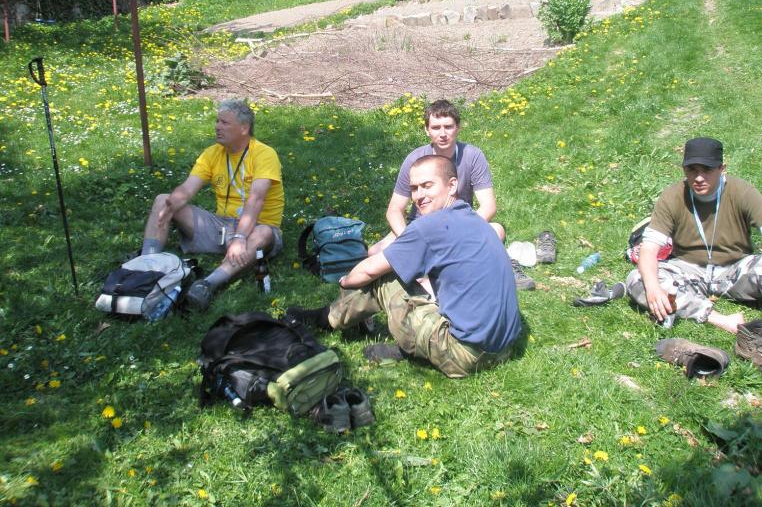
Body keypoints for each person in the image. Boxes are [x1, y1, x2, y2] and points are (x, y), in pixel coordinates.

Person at [288, 155, 522, 378]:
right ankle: (403, 340)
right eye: (414, 188)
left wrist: (345, 281)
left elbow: (368, 271)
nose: (419, 196)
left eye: (427, 186)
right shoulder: (474, 219)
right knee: (403, 273)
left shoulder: (430, 226)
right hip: (505, 348)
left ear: (452, 185)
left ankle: (325, 319)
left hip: (466, 356)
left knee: (384, 277)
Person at [626, 137, 762, 380]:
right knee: (638, 278)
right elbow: (649, 248)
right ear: (684, 169)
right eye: (692, 170)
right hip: (690, 269)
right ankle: (720, 319)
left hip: (734, 269)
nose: (698, 177)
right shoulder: (673, 196)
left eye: (706, 170)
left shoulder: (742, 192)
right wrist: (653, 287)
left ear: (722, 169)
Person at [369, 99, 535, 289]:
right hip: (420, 226)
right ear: (427, 130)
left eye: (448, 127)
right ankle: (438, 271)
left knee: (496, 230)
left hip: (460, 224)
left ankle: (436, 272)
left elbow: (488, 206)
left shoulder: (473, 156)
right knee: (374, 251)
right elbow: (394, 210)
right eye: (436, 127)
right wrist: (409, 239)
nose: (442, 134)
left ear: (458, 128)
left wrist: (459, 232)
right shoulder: (415, 159)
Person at [141, 98, 284, 310]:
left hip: (255, 227)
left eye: (224, 123)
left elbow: (256, 199)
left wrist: (240, 238)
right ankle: (145, 266)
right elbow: (188, 188)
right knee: (162, 200)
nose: (217, 126)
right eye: (217, 121)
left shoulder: (264, 154)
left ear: (244, 128)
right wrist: (172, 203)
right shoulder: (212, 153)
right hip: (221, 226)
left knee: (264, 233)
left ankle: (207, 284)